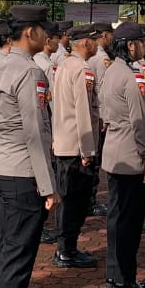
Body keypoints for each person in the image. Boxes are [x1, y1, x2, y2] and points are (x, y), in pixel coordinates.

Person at [0, 5, 58, 288]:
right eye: (44, 30)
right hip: (23, 171)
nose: (49, 36)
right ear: (31, 32)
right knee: (17, 256)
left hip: (4, 165)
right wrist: (48, 186)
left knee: (8, 252)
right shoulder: (29, 71)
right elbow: (34, 132)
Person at [100, 21, 145, 288]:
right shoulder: (128, 77)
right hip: (130, 155)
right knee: (129, 223)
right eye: (142, 42)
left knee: (117, 218)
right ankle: (124, 279)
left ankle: (115, 277)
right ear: (130, 45)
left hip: (114, 152)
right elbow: (139, 122)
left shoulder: (111, 72)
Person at [50, 23, 101, 268]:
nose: (98, 44)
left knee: (68, 198)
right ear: (85, 43)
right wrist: (88, 150)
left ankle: (65, 247)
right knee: (75, 201)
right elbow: (84, 112)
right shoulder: (82, 68)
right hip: (77, 147)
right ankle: (66, 250)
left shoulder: (64, 64)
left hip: (63, 141)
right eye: (95, 40)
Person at [87, 23, 115, 217]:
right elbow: (104, 92)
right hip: (97, 113)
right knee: (94, 161)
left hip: (89, 111)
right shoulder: (102, 57)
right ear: (105, 35)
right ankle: (91, 202)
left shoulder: (89, 56)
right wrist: (105, 117)